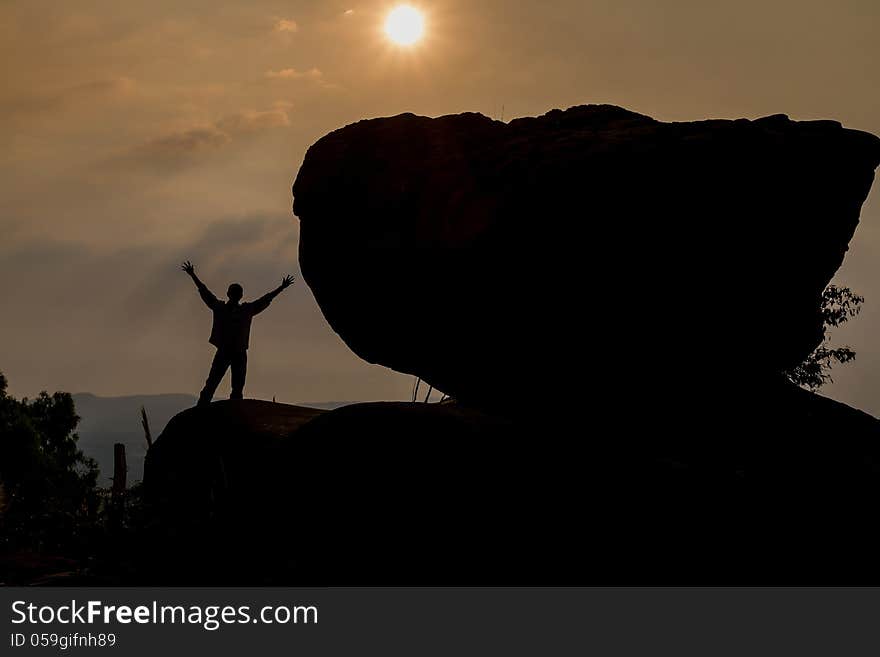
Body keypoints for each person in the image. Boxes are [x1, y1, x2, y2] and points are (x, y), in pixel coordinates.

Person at [181, 260, 294, 406]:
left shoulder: (232, 309)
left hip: (234, 351)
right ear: (238, 295)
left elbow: (205, 293)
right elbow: (265, 299)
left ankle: (215, 410)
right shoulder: (238, 310)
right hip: (230, 351)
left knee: (227, 385)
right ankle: (210, 409)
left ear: (231, 294)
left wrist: (193, 275)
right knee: (222, 384)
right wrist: (281, 288)